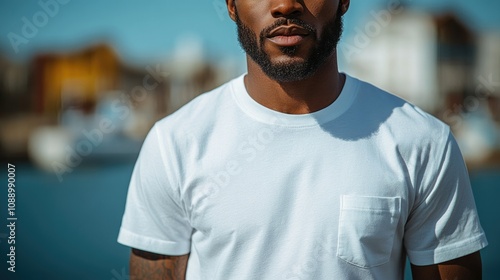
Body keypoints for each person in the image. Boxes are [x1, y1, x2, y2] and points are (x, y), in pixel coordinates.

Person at [117, 0, 488, 279]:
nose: (285, 5)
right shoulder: (176, 142)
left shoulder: (422, 141)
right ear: (230, 5)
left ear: (343, 1)